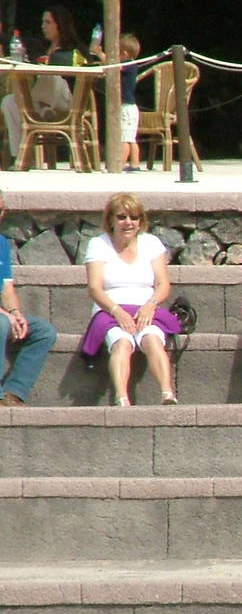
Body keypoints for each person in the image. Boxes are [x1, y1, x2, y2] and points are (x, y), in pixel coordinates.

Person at [81, 192, 180, 406]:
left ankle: (167, 394)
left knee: (152, 340)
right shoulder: (98, 244)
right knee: (122, 343)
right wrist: (117, 311)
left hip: (146, 308)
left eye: (134, 217)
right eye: (122, 217)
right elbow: (95, 288)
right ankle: (121, 398)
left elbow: (163, 284)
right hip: (110, 309)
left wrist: (150, 306)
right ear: (110, 220)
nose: (128, 222)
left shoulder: (151, 243)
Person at [2, 5, 88, 163]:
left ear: (60, 24)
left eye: (48, 22)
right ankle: (21, 156)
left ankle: (43, 108)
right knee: (8, 102)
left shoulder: (76, 49)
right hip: (41, 99)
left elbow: (87, 70)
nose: (43, 26)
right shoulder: (39, 47)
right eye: (42, 22)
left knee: (51, 76)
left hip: (68, 101)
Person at [1, 189, 58, 405]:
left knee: (44, 332)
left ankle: (13, 393)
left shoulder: (1, 244)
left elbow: (6, 288)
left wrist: (15, 313)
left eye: (1, 210)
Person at [91, 31, 142, 173]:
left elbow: (113, 68)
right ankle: (134, 164)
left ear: (124, 54)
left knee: (124, 138)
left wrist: (100, 54)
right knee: (130, 137)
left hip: (127, 108)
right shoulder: (129, 65)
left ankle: (119, 164)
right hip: (129, 107)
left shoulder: (129, 65)